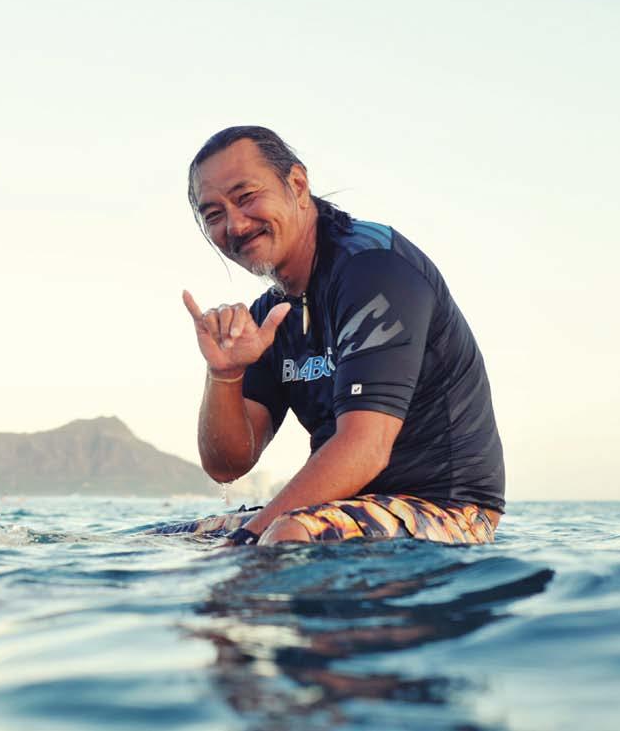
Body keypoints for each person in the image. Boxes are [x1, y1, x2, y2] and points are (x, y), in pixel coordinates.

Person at [183, 126, 505, 546]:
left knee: (284, 533)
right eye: (214, 215)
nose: (235, 225)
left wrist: (245, 540)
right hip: (347, 507)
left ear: (298, 185)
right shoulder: (272, 315)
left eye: (246, 197)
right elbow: (227, 466)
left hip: (448, 508)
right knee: (177, 537)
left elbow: (365, 447)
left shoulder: (374, 268)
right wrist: (225, 374)